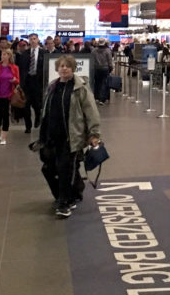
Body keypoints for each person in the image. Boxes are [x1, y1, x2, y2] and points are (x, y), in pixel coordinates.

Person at [38, 55, 102, 218]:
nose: (64, 68)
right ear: (57, 68)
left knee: (65, 169)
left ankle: (64, 202)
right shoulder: (52, 86)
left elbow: (91, 112)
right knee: (48, 168)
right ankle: (70, 193)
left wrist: (94, 134)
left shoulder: (81, 88)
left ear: (73, 68)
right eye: (61, 66)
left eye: (67, 66)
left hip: (71, 137)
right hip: (51, 136)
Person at [0, 46, 20, 145]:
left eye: (5, 54)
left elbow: (18, 81)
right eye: (2, 54)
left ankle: (4, 137)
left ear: (9, 56)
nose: (3, 56)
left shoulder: (14, 68)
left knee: (5, 115)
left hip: (8, 95)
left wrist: (14, 80)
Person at [17, 33, 46, 133]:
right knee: (26, 105)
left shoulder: (44, 53)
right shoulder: (25, 53)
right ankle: (28, 126)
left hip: (37, 81)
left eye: (34, 39)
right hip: (27, 81)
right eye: (31, 39)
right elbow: (21, 69)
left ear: (37, 40)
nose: (33, 41)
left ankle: (38, 116)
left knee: (37, 104)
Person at [90, 37, 113, 104]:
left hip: (96, 69)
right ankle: (102, 99)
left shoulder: (94, 50)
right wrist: (111, 68)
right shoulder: (107, 50)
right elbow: (110, 61)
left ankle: (96, 97)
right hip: (105, 69)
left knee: (97, 83)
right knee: (104, 83)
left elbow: (91, 60)